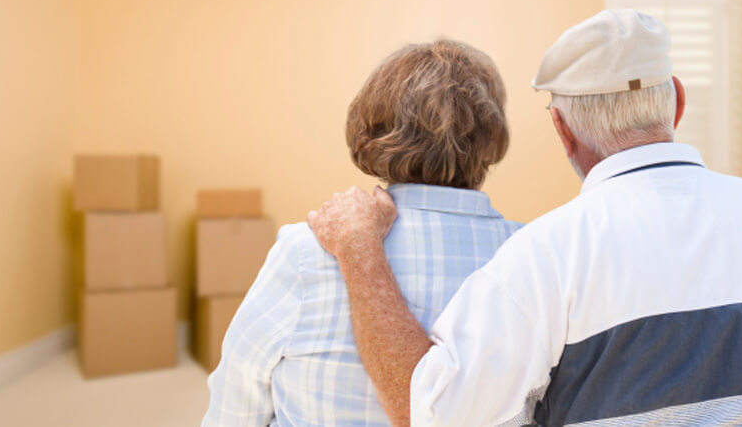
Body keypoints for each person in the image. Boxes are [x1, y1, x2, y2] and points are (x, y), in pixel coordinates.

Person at [305, 10, 742, 426]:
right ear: (677, 101)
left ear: (562, 130)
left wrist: (359, 247)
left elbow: (433, 415)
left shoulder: (548, 254)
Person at [202, 40, 527, 426]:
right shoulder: (531, 257)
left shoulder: (310, 251)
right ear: (492, 137)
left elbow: (234, 406)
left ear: (374, 128)